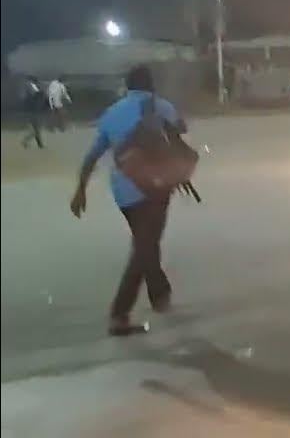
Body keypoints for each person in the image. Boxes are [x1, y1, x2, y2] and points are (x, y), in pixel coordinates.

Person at [71, 65, 187, 336]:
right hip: (155, 188)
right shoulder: (161, 106)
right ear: (151, 84)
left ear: (127, 86)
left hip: (124, 191)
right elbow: (180, 132)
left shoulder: (112, 113)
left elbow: (92, 156)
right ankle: (119, 314)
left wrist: (80, 190)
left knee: (145, 242)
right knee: (144, 248)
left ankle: (160, 294)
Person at [19, 77, 45, 149]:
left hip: (32, 112)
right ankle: (25, 141)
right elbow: (37, 96)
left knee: (36, 129)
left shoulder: (28, 91)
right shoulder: (32, 89)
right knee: (36, 130)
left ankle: (40, 144)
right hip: (33, 112)